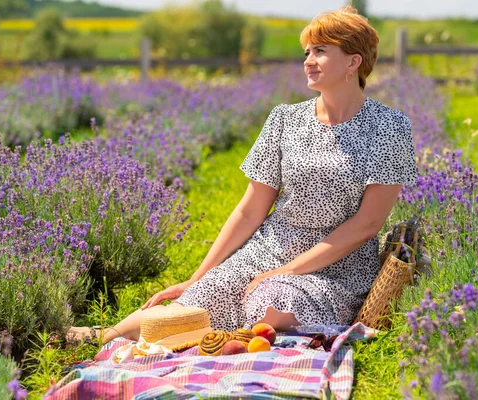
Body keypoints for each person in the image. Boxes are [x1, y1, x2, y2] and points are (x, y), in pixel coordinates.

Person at [67, 4, 418, 345]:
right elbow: (250, 210)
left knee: (272, 308)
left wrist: (288, 271)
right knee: (188, 311)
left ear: (353, 62)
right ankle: (107, 335)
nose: (308, 61)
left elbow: (367, 225)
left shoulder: (390, 127)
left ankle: (226, 341)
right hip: (267, 250)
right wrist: (197, 277)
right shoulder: (285, 119)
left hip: (336, 267)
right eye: (307, 52)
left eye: (320, 51)